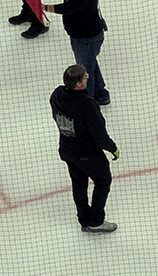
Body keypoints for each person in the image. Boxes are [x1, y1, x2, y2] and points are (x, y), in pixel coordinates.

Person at [50, 64, 120, 232]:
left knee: (79, 183)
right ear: (79, 85)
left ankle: (83, 218)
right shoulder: (87, 105)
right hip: (88, 153)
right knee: (103, 181)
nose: (87, 76)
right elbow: (99, 133)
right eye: (85, 77)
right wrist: (112, 148)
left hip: (67, 150)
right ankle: (96, 221)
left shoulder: (57, 95)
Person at [41, 0, 110, 104]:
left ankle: (88, 100)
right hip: (81, 36)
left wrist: (44, 7)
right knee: (89, 64)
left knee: (85, 71)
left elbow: (69, 8)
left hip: (87, 38)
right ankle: (101, 94)